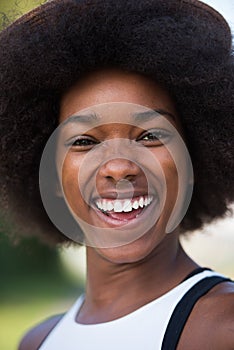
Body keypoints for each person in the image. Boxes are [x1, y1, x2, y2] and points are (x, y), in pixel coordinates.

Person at [0, 0, 234, 349]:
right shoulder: (36, 342)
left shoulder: (223, 329)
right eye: (83, 141)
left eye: (151, 136)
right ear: (50, 174)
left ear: (192, 161)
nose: (119, 167)